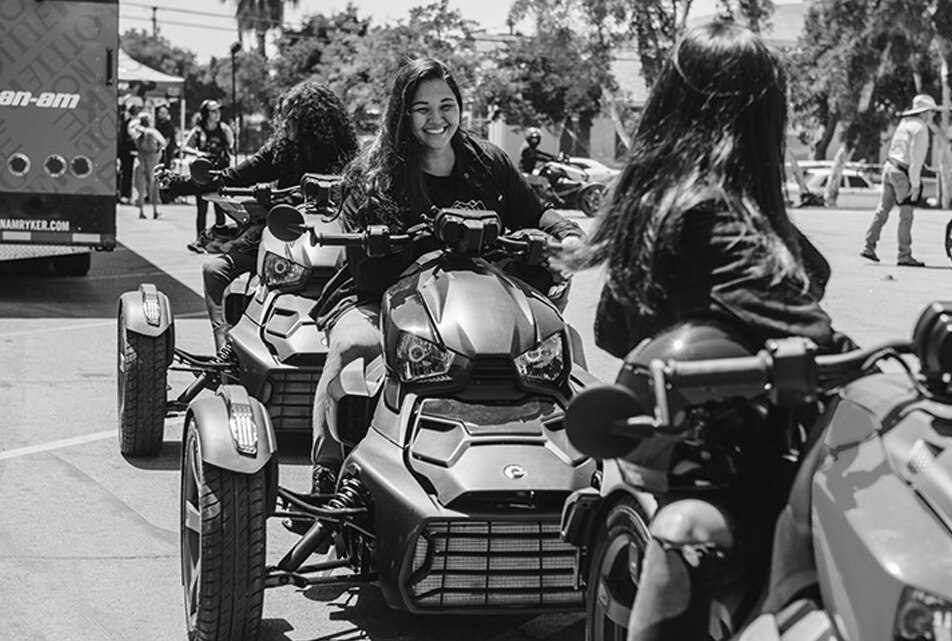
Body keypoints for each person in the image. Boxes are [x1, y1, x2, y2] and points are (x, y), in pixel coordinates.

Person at [564, 21, 854, 641]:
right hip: (736, 461)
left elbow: (617, 330)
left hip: (684, 444)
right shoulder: (711, 211)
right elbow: (806, 328)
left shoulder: (669, 199)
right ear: (759, 115)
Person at [309, 57, 584, 494]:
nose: (436, 119)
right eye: (422, 109)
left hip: (478, 292)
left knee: (561, 340)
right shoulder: (373, 172)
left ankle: (586, 464)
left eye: (446, 105)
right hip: (382, 293)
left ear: (460, 106)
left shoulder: (488, 161)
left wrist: (566, 234)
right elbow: (365, 267)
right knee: (351, 345)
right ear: (402, 112)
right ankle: (327, 470)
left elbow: (537, 212)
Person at [155, 80, 360, 352]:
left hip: (332, 247)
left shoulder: (349, 159)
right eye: (284, 117)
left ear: (314, 122)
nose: (285, 124)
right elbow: (231, 177)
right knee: (215, 270)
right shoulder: (280, 150)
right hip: (282, 245)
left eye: (292, 118)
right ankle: (225, 347)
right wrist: (177, 183)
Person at [861, 93, 939, 267]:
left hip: (889, 167)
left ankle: (869, 245)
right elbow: (915, 159)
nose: (933, 115)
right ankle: (904, 254)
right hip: (902, 173)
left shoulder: (904, 124)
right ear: (924, 112)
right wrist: (916, 185)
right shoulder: (920, 128)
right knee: (906, 214)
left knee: (883, 210)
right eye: (931, 112)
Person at [181, 100, 235, 253]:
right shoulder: (198, 131)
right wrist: (198, 153)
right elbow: (185, 146)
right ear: (206, 114)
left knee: (220, 208)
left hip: (220, 173)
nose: (217, 114)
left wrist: (233, 133)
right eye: (213, 111)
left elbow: (231, 145)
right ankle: (200, 241)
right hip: (203, 175)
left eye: (218, 111)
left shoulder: (224, 129)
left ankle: (220, 241)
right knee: (202, 208)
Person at [130, 112, 167, 219]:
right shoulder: (152, 131)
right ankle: (155, 209)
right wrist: (158, 149)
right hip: (152, 158)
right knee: (153, 184)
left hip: (140, 157)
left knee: (139, 185)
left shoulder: (135, 131)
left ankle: (141, 211)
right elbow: (163, 142)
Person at [154, 104, 179, 170]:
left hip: (166, 153)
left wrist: (159, 149)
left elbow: (167, 141)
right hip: (157, 151)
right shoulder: (157, 124)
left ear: (167, 114)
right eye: (160, 112)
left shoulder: (169, 125)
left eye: (163, 113)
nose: (161, 114)